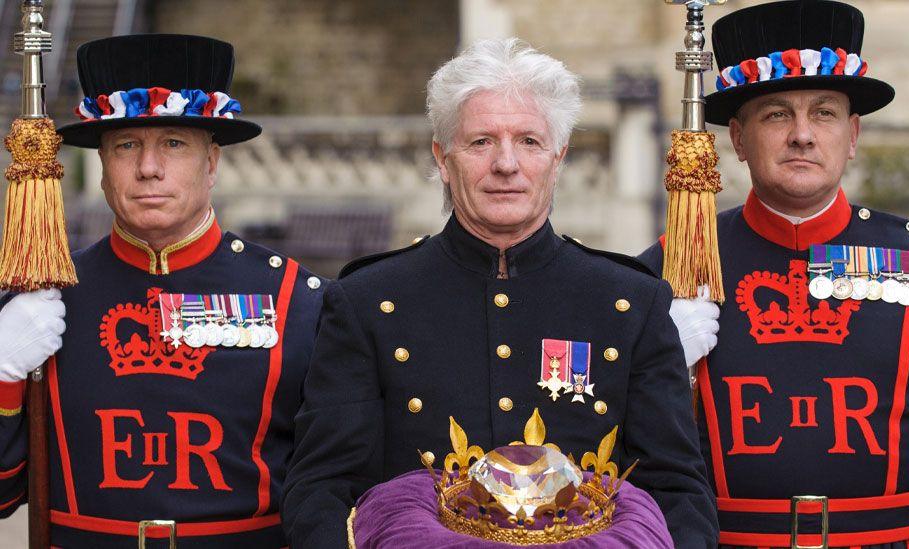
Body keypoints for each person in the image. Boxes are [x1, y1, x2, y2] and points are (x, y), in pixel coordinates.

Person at [282, 38, 718, 548]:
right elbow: (320, 490)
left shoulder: (629, 302)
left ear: (558, 158)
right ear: (443, 159)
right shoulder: (366, 302)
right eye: (481, 141)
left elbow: (678, 493)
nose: (506, 164)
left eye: (529, 142)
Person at [641, 1, 909, 546]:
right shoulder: (670, 270)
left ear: (853, 133)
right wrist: (652, 368)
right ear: (739, 141)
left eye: (824, 112)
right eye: (776, 114)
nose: (802, 134)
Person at [0, 34, 324, 548]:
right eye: (127, 145)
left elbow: (334, 491)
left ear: (212, 162)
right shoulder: (44, 303)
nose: (149, 168)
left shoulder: (298, 300)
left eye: (174, 143)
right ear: (102, 166)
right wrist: (1, 375)